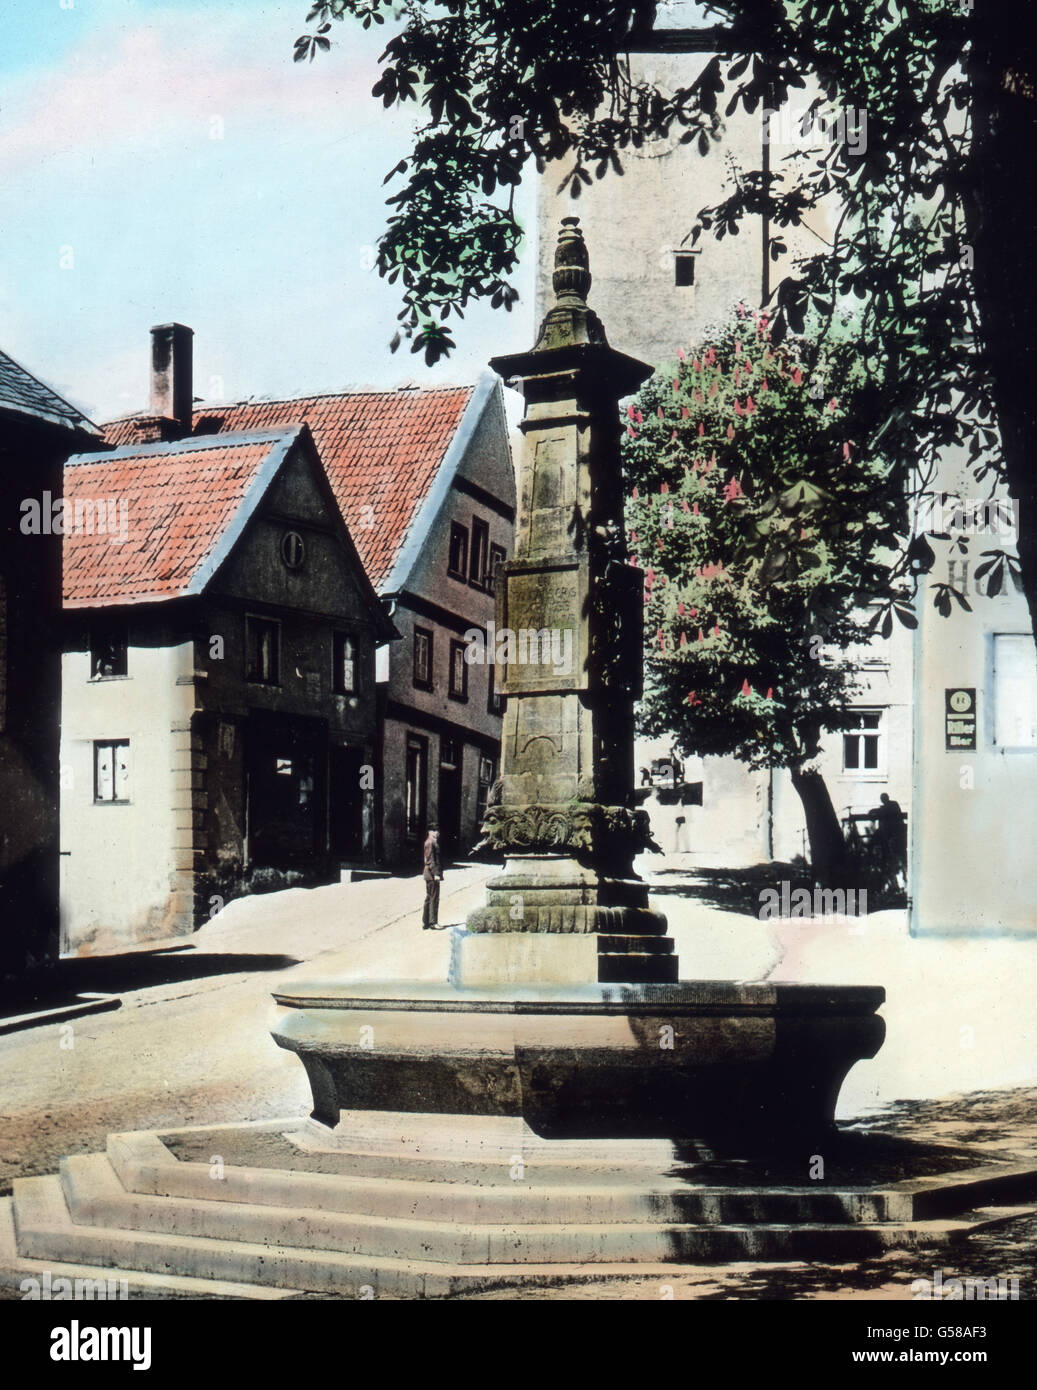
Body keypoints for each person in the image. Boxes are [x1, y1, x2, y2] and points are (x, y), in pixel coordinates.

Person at [422, 828, 443, 929]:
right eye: (436, 831)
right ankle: (433, 922)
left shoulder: (428, 842)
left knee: (429, 897)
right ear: (430, 831)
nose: (437, 833)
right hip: (431, 874)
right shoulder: (431, 842)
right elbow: (431, 859)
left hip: (428, 873)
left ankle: (426, 922)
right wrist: (436, 873)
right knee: (434, 897)